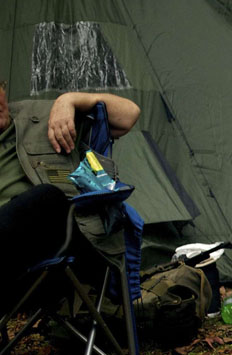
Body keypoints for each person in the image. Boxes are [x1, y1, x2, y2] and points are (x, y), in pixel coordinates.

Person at [1, 86, 141, 292]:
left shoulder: (41, 116)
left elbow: (129, 115)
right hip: (10, 275)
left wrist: (70, 100)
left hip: (64, 246)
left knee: (46, 199)